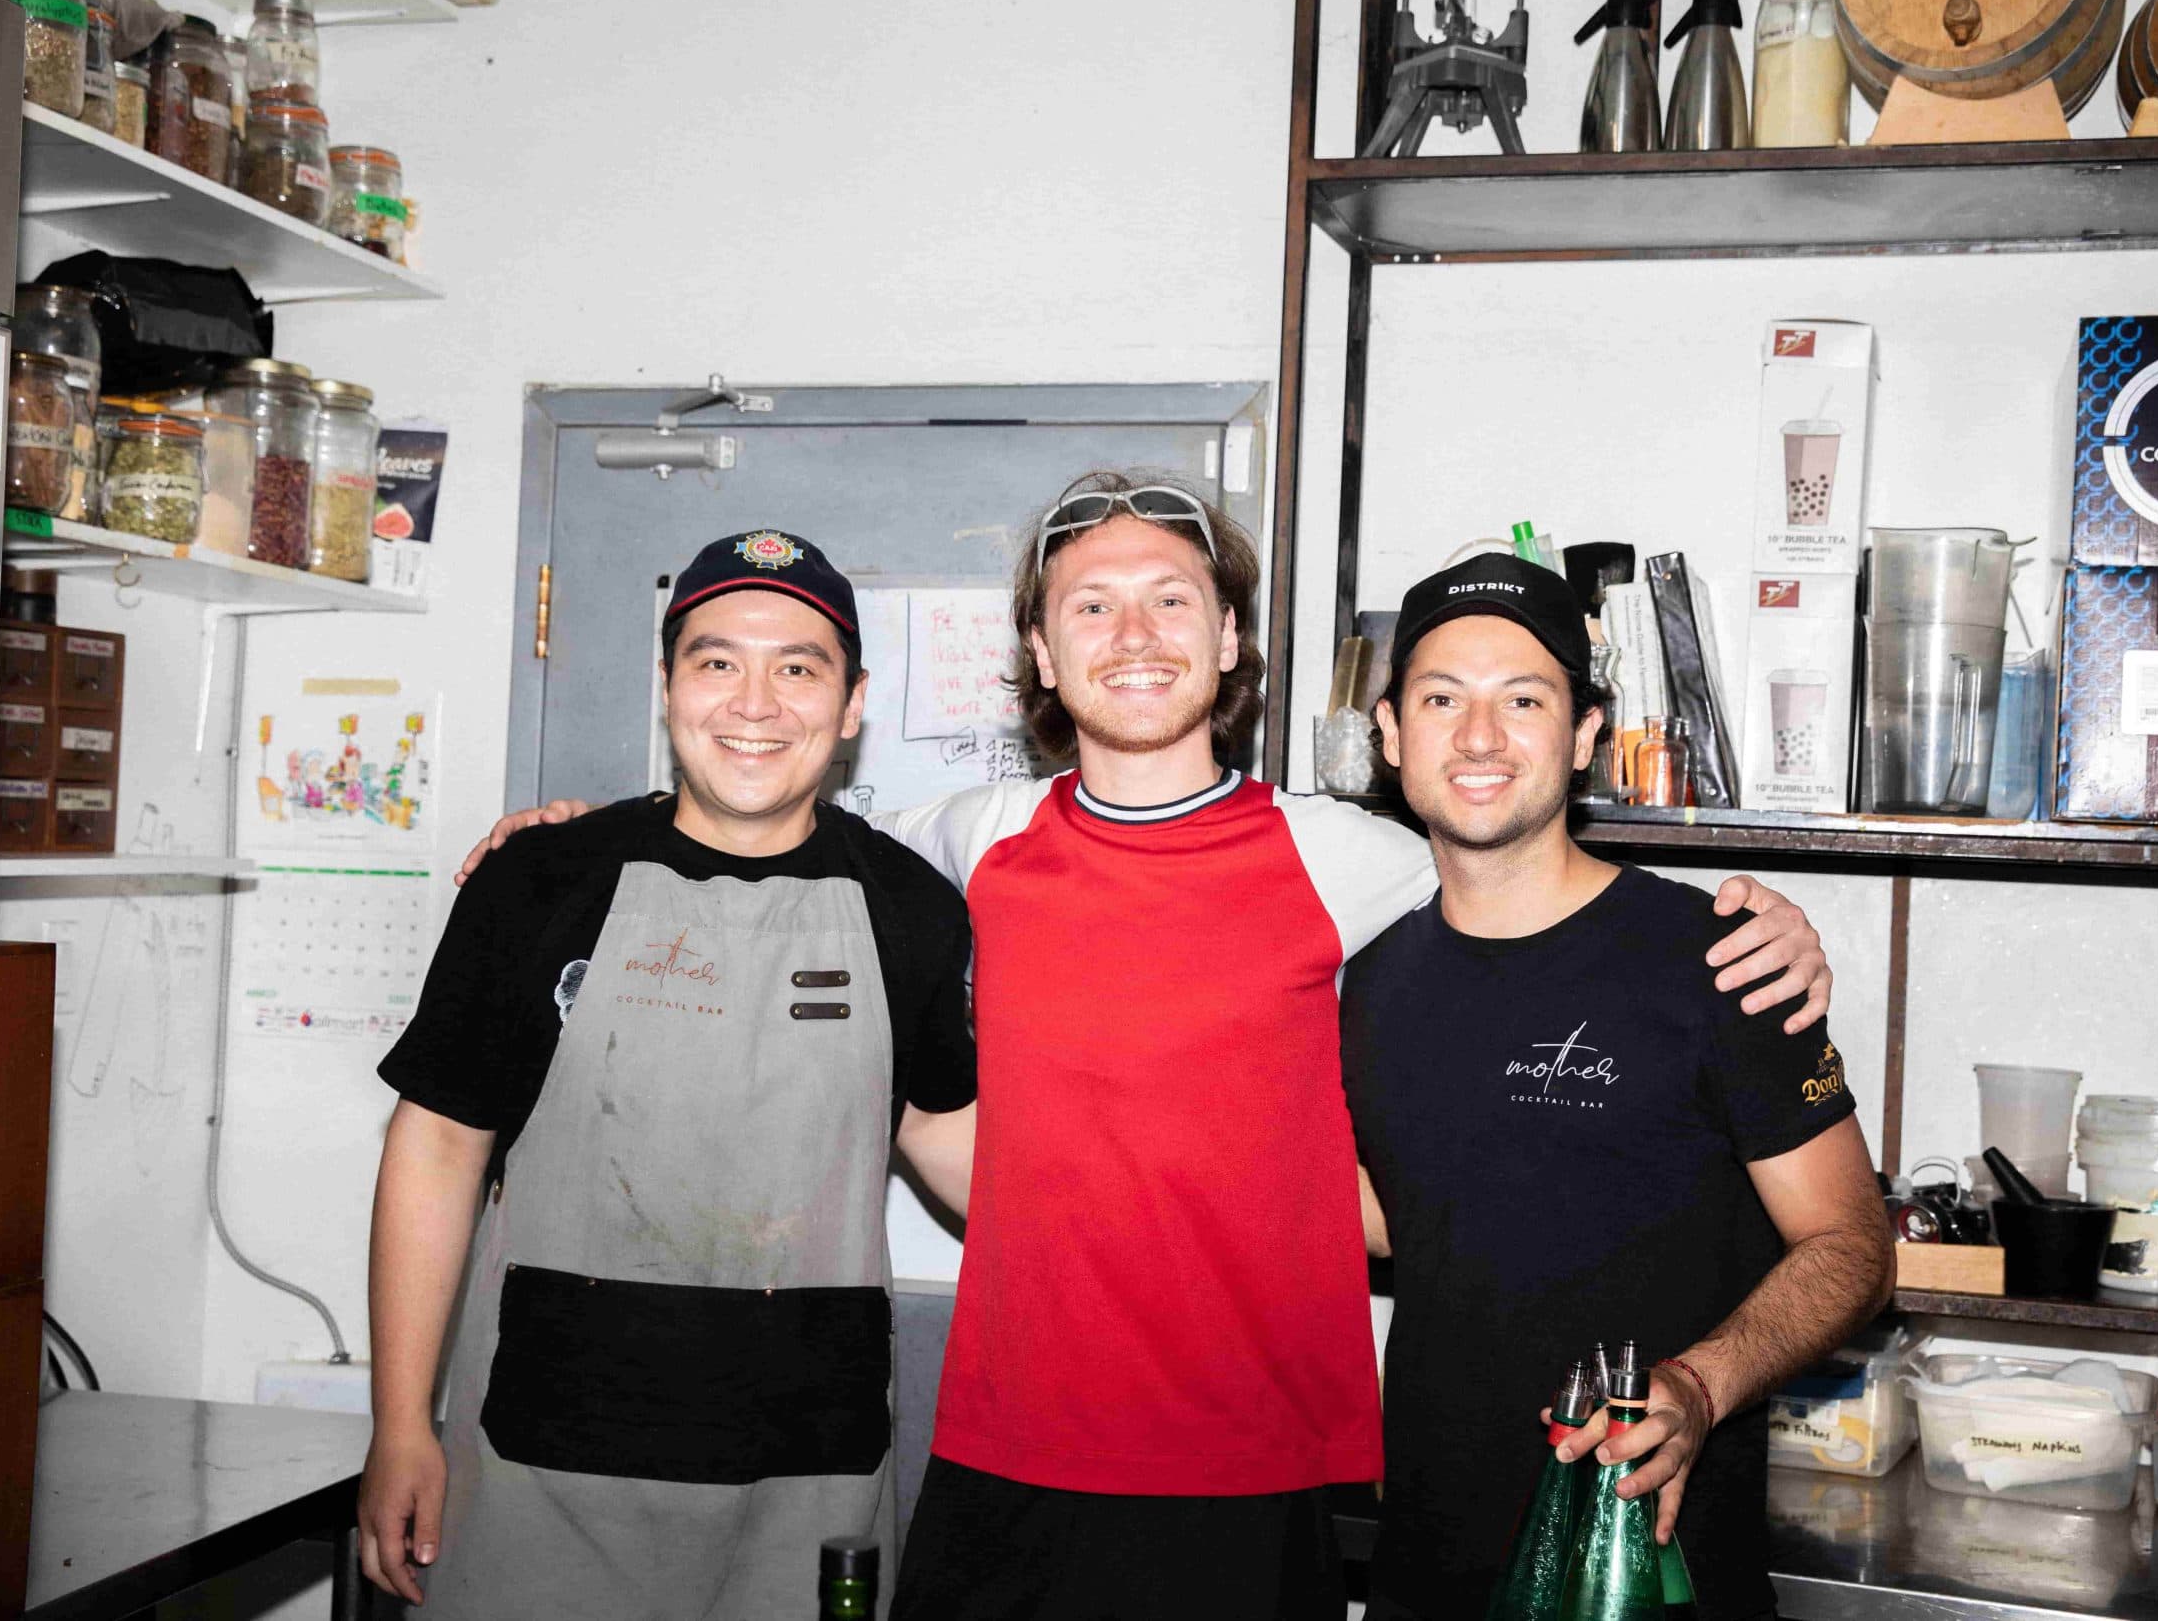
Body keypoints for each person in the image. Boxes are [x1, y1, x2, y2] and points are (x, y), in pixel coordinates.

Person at [458, 475, 1837, 1621]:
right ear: (1042, 659)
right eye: (1091, 605)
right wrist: (578, 839)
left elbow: (1530, 873)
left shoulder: (1350, 856)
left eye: (1173, 597)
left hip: (1249, 1473)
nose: (1134, 632)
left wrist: (1756, 912)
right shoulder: (965, 842)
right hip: (1001, 1454)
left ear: (1232, 640)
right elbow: (760, 797)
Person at [357, 530, 980, 1617]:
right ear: (667, 685)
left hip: (809, 1466)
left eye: (798, 667)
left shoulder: (911, 909)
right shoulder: (540, 883)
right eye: (715, 661)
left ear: (852, 703)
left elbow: (947, 1134)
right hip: (550, 1457)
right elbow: (437, 1146)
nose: (755, 702)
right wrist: (401, 1423)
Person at [1340, 552, 1895, 1621]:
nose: (1479, 737)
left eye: (1524, 699)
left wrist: (1698, 1386)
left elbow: (1854, 1248)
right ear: (1389, 733)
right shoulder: (1367, 983)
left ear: (1587, 734)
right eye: (1441, 698)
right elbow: (1395, 1214)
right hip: (1428, 1570)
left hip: (1654, 1574)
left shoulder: (1719, 959)